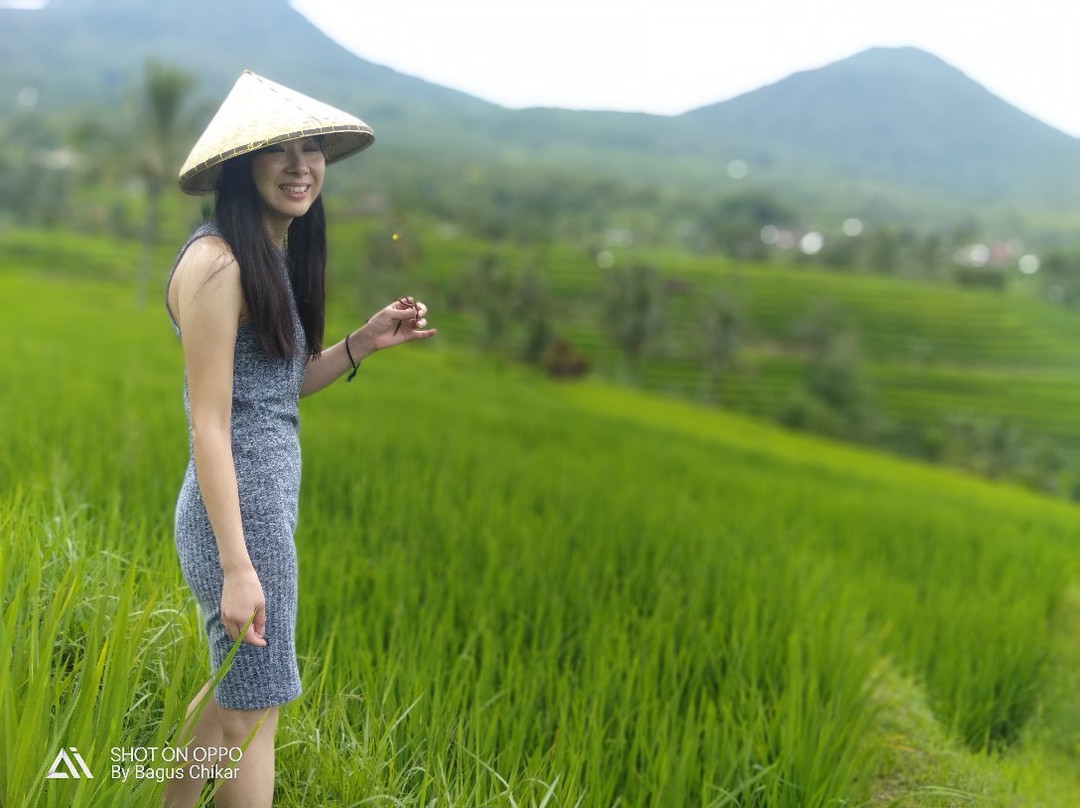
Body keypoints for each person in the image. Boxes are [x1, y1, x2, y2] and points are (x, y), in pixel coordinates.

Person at [162, 70, 435, 808]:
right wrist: (238, 566)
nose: (301, 165)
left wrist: (361, 344)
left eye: (312, 149)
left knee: (229, 705)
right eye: (279, 150)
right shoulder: (220, 265)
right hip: (241, 518)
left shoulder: (266, 258)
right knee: (256, 717)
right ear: (240, 165)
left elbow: (272, 393)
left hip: (256, 508)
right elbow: (210, 423)